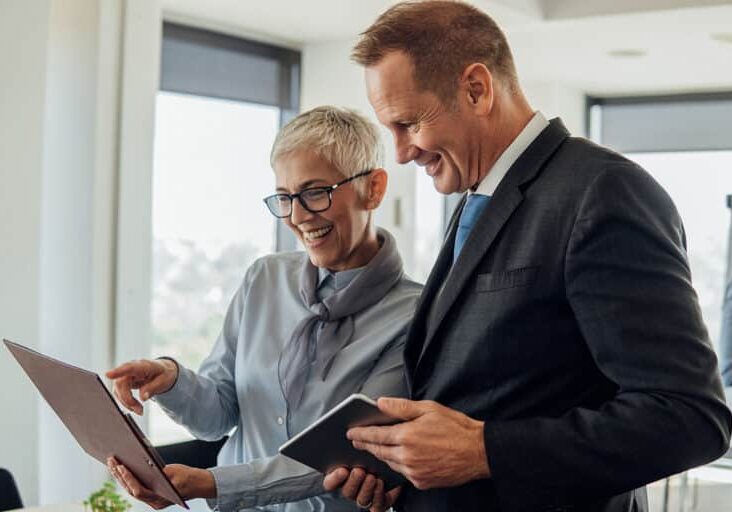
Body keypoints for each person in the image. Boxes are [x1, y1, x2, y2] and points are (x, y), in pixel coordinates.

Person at [324, 2, 732, 511]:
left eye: (409, 123)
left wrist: (484, 451)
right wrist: (401, 464)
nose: (402, 151)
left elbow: (689, 418)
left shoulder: (602, 190)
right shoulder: (474, 200)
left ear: (477, 88)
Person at [104, 106, 423, 511]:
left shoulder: (414, 316)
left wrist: (213, 483)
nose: (298, 216)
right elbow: (216, 416)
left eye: (314, 192)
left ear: (373, 188)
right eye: (285, 197)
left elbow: (347, 450)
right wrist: (170, 380)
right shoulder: (264, 279)